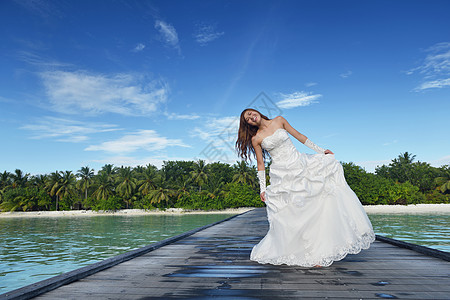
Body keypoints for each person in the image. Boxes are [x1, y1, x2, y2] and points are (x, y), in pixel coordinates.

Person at [235, 108, 375, 267]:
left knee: (314, 206)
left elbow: (300, 137)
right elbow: (260, 164)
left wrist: (321, 151)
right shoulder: (256, 139)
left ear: (257, 112)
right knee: (295, 213)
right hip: (282, 175)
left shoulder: (279, 120)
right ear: (248, 124)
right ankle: (302, 250)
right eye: (248, 119)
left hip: (300, 165)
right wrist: (262, 188)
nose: (252, 117)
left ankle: (319, 252)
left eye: (252, 113)